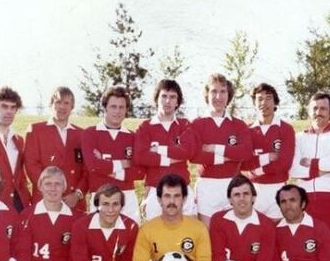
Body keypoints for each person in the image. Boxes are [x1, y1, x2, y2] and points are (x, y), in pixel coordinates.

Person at [175, 73, 252, 226]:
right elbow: (195, 156)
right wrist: (229, 156)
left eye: (223, 91)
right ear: (207, 94)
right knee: (208, 236)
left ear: (228, 95)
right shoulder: (197, 124)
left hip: (233, 185)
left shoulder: (238, 124)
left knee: (232, 236)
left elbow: (245, 152)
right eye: (213, 91)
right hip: (207, 187)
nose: (218, 96)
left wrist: (214, 148)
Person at [134, 79, 196, 220]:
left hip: (183, 188)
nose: (168, 101)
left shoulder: (184, 124)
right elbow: (140, 157)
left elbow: (187, 152)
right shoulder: (145, 127)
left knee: (187, 237)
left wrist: (158, 150)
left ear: (178, 101)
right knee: (155, 238)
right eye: (164, 96)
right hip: (156, 190)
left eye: (173, 97)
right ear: (156, 99)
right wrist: (174, 157)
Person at [82, 85, 144, 224]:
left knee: (130, 241)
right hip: (99, 196)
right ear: (105, 107)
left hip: (127, 197)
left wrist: (111, 171)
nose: (117, 111)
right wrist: (123, 163)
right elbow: (92, 165)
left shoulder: (133, 137)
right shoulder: (90, 134)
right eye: (113, 106)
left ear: (126, 110)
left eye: (121, 107)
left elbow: (139, 172)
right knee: (99, 241)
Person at [24, 86, 87, 213]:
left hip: (73, 202)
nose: (62, 107)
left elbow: (87, 170)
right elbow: (31, 165)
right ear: (51, 105)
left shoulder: (81, 134)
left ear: (72, 107)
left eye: (66, 103)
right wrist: (51, 192)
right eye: (58, 102)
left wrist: (78, 194)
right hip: (44, 200)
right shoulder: (36, 130)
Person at [290, 92, 330, 231]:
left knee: (329, 243)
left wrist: (311, 162)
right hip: (304, 199)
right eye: (315, 108)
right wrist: (323, 170)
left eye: (323, 108)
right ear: (309, 111)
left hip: (329, 198)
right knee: (304, 244)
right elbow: (294, 170)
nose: (318, 112)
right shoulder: (299, 137)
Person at [242, 83, 295, 222]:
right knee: (254, 236)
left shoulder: (286, 129)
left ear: (275, 101)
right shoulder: (247, 130)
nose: (263, 102)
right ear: (254, 102)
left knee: (277, 237)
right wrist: (267, 158)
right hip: (253, 189)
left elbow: (284, 164)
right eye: (259, 98)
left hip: (277, 188)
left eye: (268, 98)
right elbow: (243, 164)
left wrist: (255, 168)